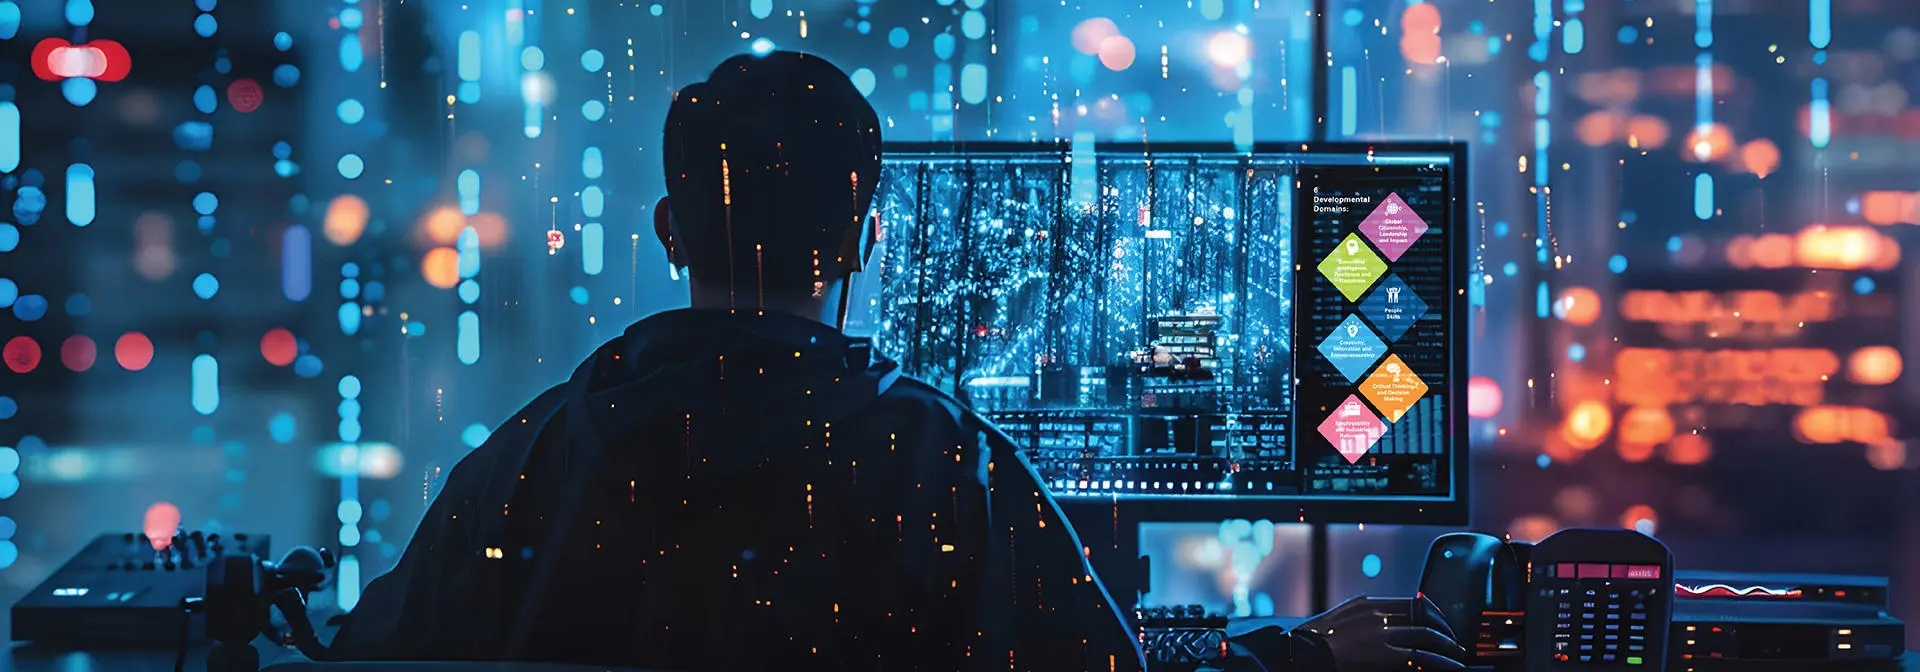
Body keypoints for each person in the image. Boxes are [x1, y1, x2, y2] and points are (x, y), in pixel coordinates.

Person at [327, 51, 1466, 672]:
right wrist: (1290, 662)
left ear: (671, 231)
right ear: (868, 239)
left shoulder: (530, 459)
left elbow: (369, 655)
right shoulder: (942, 463)